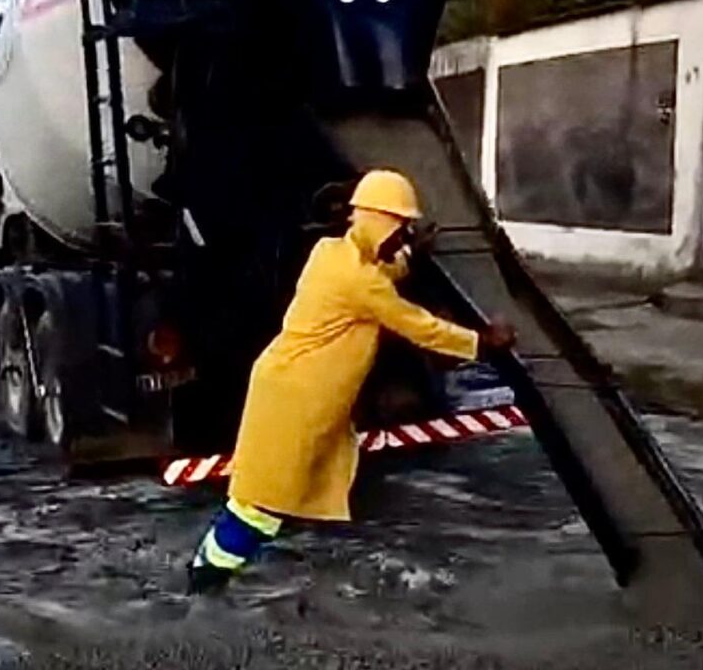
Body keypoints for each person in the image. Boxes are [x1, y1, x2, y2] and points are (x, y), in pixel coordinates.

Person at [188, 169, 516, 594]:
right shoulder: (358, 281)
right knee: (259, 506)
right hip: (292, 403)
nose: (401, 240)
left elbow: (384, 269)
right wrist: (483, 343)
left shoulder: (334, 253)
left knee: (265, 501)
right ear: (377, 224)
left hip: (293, 393)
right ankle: (204, 586)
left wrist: (411, 253)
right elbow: (417, 326)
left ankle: (210, 574)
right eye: (398, 231)